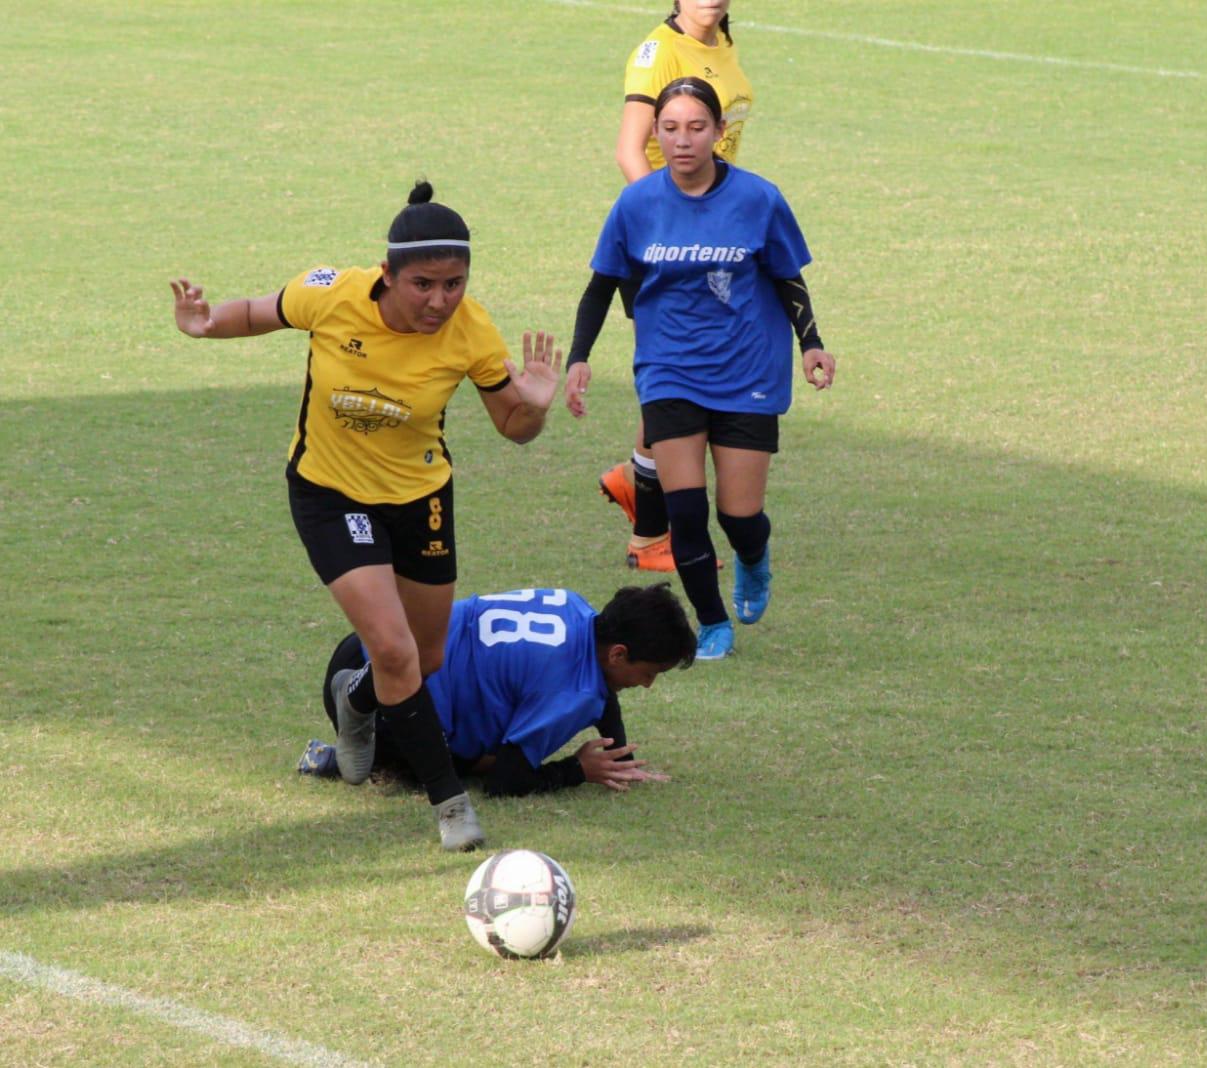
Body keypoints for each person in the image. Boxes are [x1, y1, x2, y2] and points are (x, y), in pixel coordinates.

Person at [169, 180, 562, 851]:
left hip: (420, 498)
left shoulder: (472, 330)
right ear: (388, 274)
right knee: (392, 647)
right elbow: (264, 310)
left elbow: (513, 428)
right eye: (423, 284)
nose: (440, 300)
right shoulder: (333, 291)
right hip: (331, 493)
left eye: (454, 283)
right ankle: (451, 807)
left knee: (427, 656)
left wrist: (536, 404)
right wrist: (206, 322)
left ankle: (357, 702)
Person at [564, 77, 836, 661]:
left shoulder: (759, 199)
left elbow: (788, 275)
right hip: (668, 372)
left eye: (695, 128)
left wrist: (811, 343)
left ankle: (753, 560)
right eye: (669, 129)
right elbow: (601, 286)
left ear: (718, 132)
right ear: (656, 135)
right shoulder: (636, 204)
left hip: (749, 372)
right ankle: (712, 623)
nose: (682, 140)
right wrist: (578, 359)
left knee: (739, 517)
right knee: (685, 512)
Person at [597, 0, 755, 573]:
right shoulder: (657, 53)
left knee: (679, 372)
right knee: (672, 375)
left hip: (713, 231)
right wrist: (671, 221)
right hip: (664, 243)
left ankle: (636, 477)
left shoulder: (721, 44)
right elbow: (628, 150)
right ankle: (647, 536)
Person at [298, 584, 697, 798]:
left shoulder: (576, 607)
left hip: (365, 647)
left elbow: (601, 688)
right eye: (649, 673)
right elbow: (506, 782)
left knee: (489, 738)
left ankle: (355, 746)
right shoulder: (573, 691)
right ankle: (354, 759)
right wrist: (577, 770)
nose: (647, 685)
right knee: (470, 766)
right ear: (619, 653)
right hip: (381, 703)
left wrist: (618, 754)